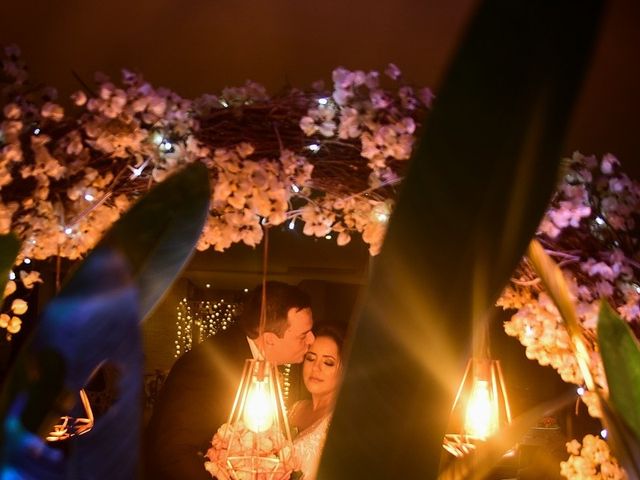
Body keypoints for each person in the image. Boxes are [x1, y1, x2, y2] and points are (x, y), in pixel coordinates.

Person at [144, 281, 314, 480]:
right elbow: (173, 453)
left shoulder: (256, 360)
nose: (312, 339)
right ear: (269, 339)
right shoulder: (208, 368)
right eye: (303, 335)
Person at [289, 325, 345, 480]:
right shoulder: (294, 408)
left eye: (328, 362)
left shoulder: (342, 421)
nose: (316, 368)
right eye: (311, 358)